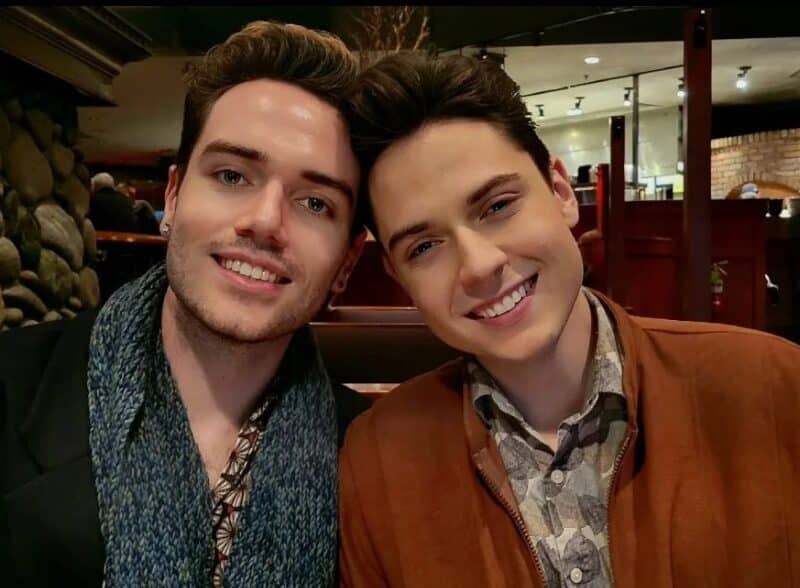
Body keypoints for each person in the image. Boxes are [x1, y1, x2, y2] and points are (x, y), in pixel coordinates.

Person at [339, 52, 800, 587]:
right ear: (399, 277)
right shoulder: (378, 463)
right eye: (424, 246)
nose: (479, 265)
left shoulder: (770, 387)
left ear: (559, 191)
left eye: (497, 207)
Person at [1, 20, 371, 586]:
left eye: (316, 203)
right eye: (231, 175)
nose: (266, 222)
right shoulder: (10, 386)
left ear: (347, 260)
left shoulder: (375, 460)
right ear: (173, 196)